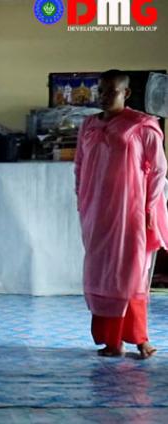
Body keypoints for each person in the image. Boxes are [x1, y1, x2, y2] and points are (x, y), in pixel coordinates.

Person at [75, 69, 167, 359]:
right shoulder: (89, 125)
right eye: (100, 91)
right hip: (96, 211)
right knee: (101, 273)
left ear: (125, 93)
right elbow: (79, 164)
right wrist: (82, 199)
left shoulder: (142, 125)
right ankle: (111, 341)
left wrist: (150, 206)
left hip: (130, 211)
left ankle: (140, 339)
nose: (103, 97)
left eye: (111, 91)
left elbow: (159, 169)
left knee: (130, 273)